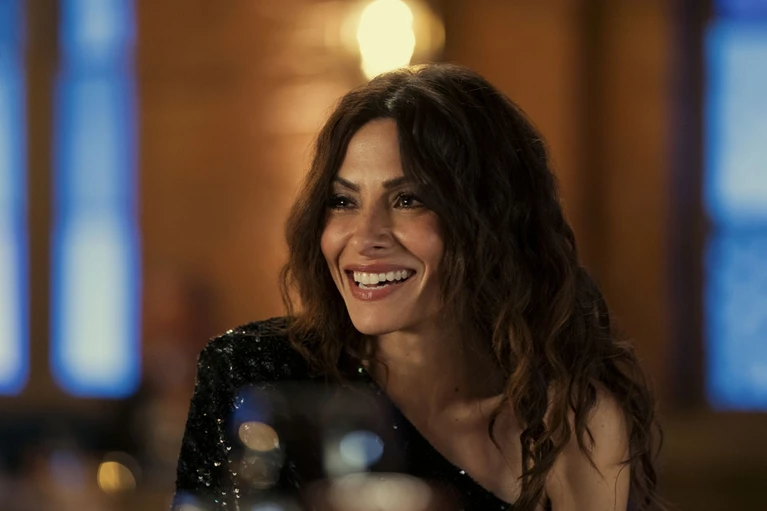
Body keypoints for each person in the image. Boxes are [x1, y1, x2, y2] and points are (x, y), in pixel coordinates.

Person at [173, 63, 663, 511]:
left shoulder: (570, 421)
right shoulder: (255, 376)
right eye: (343, 202)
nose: (365, 237)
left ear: (491, 220)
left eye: (408, 199)